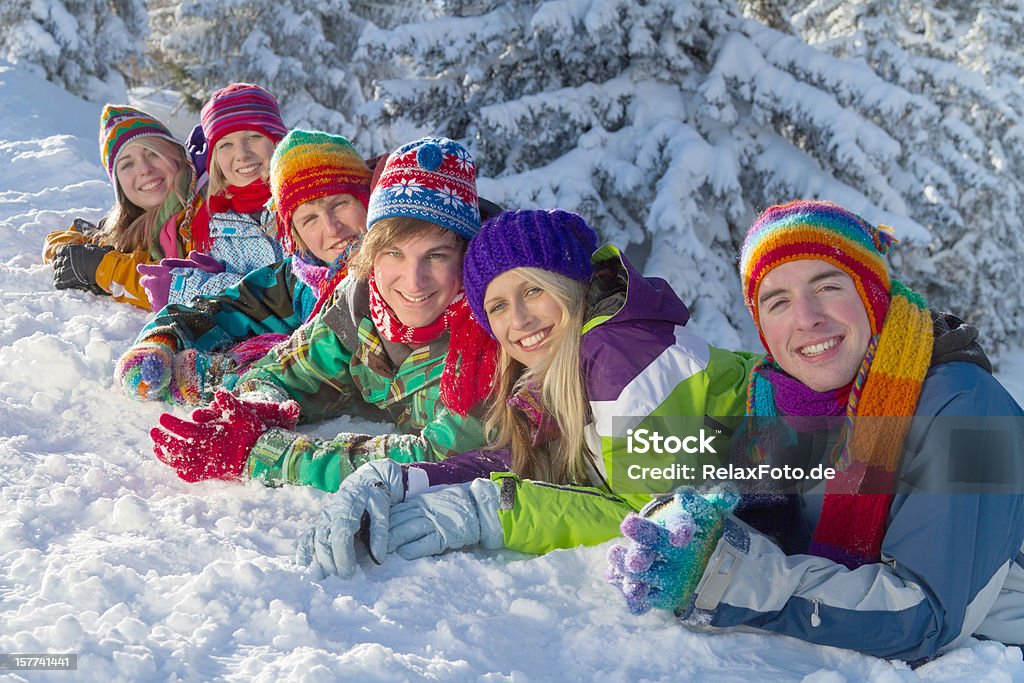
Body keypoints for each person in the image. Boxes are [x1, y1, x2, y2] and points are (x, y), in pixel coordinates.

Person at [606, 200, 1024, 660]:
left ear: (872, 295)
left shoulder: (970, 407)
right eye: (778, 300)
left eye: (826, 286)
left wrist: (725, 575)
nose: (806, 317)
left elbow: (925, 614)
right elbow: (745, 518)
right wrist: (686, 531)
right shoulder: (777, 399)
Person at [293, 208, 756, 577]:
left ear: (572, 286)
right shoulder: (557, 370)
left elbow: (653, 520)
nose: (518, 320)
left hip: (815, 466)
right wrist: (400, 478)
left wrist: (492, 511)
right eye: (497, 305)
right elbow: (517, 459)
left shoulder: (624, 352)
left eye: (533, 290)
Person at [148, 136, 500, 488]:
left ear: (466, 258)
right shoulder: (359, 301)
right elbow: (281, 369)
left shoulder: (491, 335)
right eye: (394, 254)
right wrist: (260, 407)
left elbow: (438, 461)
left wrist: (273, 457)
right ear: (371, 253)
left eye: (436, 256)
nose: (414, 280)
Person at [114, 129, 372, 405]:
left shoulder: (396, 273)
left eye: (340, 203)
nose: (332, 228)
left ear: (367, 199)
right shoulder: (303, 276)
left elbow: (331, 365)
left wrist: (224, 376)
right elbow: (228, 308)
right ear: (294, 233)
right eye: (309, 219)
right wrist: (163, 339)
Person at [137, 83, 288, 311]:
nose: (242, 154)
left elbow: (293, 290)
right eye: (226, 144)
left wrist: (185, 286)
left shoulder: (303, 203)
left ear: (277, 141)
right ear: (215, 159)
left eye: (254, 137)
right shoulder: (213, 223)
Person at [42, 105, 201, 308]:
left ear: (177, 155)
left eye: (152, 153)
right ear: (119, 185)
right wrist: (73, 257)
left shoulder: (204, 212)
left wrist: (107, 270)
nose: (144, 169)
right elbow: (62, 239)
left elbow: (193, 289)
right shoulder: (131, 223)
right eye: (127, 164)